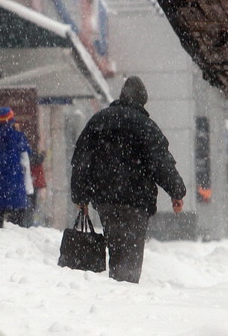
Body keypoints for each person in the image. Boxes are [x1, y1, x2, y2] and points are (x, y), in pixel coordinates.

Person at [70, 76, 186, 283]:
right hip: (136, 201)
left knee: (116, 245)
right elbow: (161, 163)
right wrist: (176, 192)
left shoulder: (99, 121)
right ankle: (124, 294)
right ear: (142, 101)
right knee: (130, 254)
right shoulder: (146, 126)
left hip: (105, 199)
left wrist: (81, 196)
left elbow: (82, 160)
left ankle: (116, 287)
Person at [0, 107, 32, 229]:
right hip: (16, 188)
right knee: (17, 227)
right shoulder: (18, 137)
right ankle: (15, 245)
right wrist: (29, 188)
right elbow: (25, 163)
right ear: (11, 119)